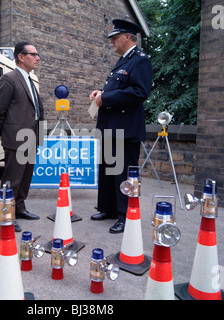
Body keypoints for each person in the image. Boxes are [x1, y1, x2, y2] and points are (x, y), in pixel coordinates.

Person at [90, 19, 153, 233]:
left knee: (123, 173)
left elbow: (139, 92)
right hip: (110, 127)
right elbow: (118, 90)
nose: (112, 42)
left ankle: (125, 216)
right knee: (107, 170)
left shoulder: (140, 60)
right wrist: (101, 93)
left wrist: (106, 98)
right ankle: (108, 208)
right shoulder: (123, 61)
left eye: (115, 38)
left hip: (125, 130)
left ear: (128, 37)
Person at [0, 41, 44, 232]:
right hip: (16, 138)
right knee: (12, 179)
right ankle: (7, 215)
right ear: (21, 57)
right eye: (33, 54)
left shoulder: (29, 79)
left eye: (37, 55)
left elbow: (36, 111)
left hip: (31, 137)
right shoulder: (9, 79)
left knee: (25, 177)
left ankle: (19, 208)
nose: (38, 58)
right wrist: (3, 134)